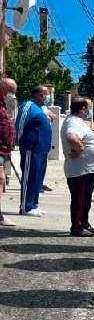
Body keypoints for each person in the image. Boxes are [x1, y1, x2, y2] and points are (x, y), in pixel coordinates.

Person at [61, 97, 94, 237]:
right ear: (82, 109)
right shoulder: (73, 121)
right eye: (89, 108)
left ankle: (84, 223)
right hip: (81, 169)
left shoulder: (77, 121)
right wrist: (78, 148)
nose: (89, 111)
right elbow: (72, 137)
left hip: (87, 168)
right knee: (80, 199)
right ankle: (77, 226)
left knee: (85, 198)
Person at [15, 85, 52, 217]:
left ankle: (33, 204)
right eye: (46, 94)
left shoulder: (40, 108)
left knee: (37, 178)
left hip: (41, 149)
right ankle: (26, 206)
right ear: (38, 94)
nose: (48, 97)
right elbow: (20, 123)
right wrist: (16, 141)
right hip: (31, 147)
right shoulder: (28, 105)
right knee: (29, 176)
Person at [0, 78, 17, 226]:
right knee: (0, 179)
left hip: (4, 150)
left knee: (1, 180)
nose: (13, 94)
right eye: (11, 91)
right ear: (4, 88)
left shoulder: (3, 104)